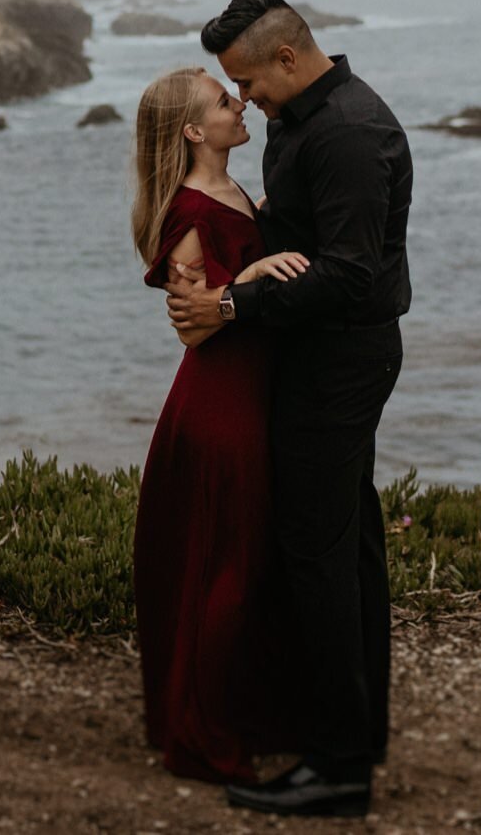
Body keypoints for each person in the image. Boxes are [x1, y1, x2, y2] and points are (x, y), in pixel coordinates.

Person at [165, 0, 413, 820]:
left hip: (339, 363)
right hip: (317, 359)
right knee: (348, 546)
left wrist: (230, 307)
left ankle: (337, 766)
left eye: (248, 82)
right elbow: (300, 234)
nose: (245, 100)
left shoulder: (346, 132)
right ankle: (355, 732)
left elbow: (349, 274)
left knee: (319, 553)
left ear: (285, 56)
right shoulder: (303, 119)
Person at [130, 65, 313, 782]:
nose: (240, 104)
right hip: (219, 411)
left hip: (251, 400)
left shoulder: (230, 190)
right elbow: (194, 333)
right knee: (225, 576)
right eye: (221, 100)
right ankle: (205, 741)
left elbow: (242, 247)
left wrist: (266, 226)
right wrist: (255, 273)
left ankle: (243, 714)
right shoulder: (186, 215)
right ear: (194, 132)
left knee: (247, 569)